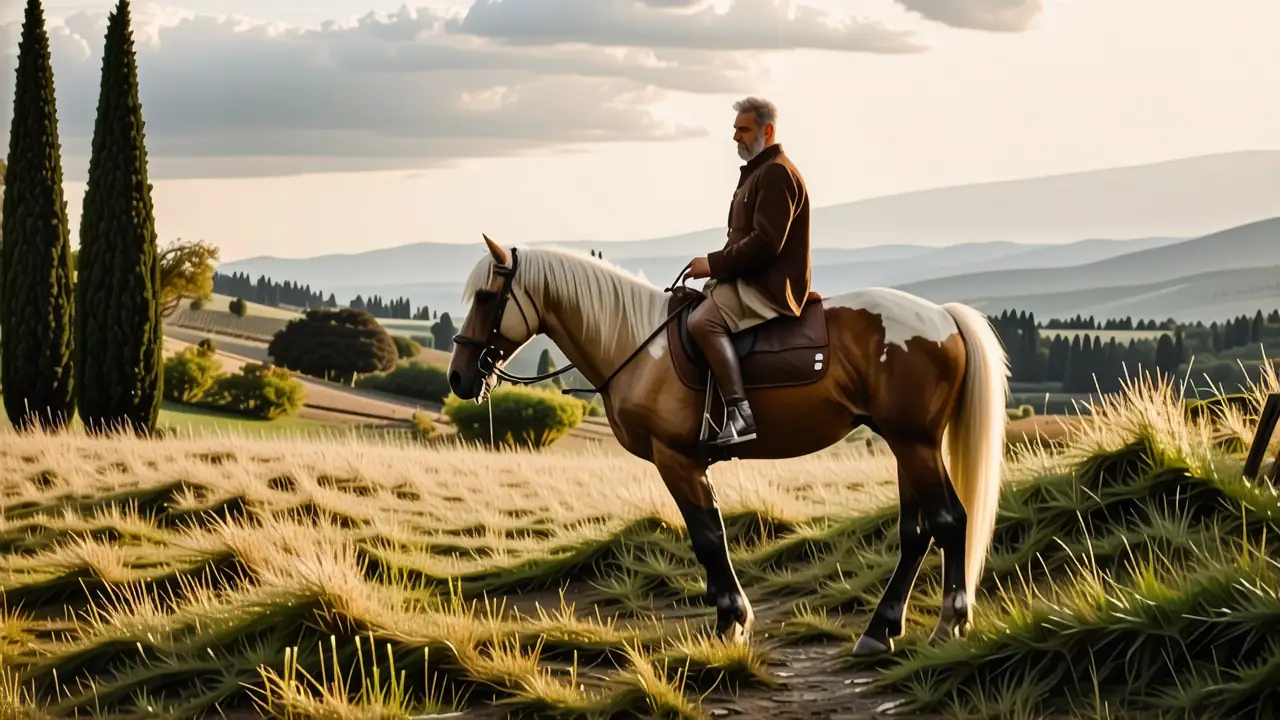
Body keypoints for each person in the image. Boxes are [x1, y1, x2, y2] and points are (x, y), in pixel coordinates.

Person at [685, 96, 811, 446]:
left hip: (769, 286)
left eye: (743, 129)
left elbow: (766, 244)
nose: (735, 137)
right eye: (735, 129)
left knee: (703, 323)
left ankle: (740, 414)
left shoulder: (776, 173)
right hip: (749, 279)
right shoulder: (759, 172)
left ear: (767, 131)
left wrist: (713, 264)